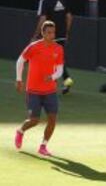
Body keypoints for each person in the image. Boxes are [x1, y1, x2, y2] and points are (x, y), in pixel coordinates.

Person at [15, 21, 64, 156]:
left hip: (50, 91)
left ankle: (43, 146)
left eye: (53, 32)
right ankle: (20, 131)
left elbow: (60, 70)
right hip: (33, 91)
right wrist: (19, 79)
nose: (51, 35)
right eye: (48, 32)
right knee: (34, 120)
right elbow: (20, 61)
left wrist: (53, 77)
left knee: (52, 119)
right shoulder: (34, 47)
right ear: (43, 33)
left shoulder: (58, 49)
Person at [31, 0, 73, 94]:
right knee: (57, 60)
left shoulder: (46, 2)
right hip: (62, 35)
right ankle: (66, 81)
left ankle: (50, 84)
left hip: (51, 36)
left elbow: (42, 19)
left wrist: (36, 34)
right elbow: (69, 16)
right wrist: (67, 32)